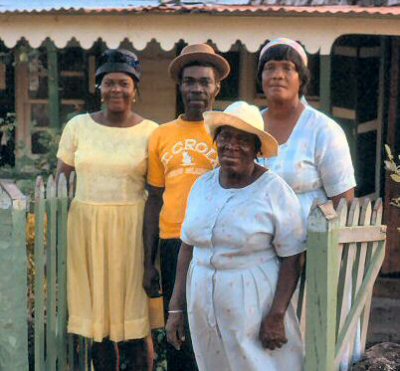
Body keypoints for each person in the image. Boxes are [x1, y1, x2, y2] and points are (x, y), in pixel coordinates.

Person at [166, 101, 306, 371]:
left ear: (257, 148)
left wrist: (276, 315)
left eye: (243, 139)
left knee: (258, 365)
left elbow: (293, 258)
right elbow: (187, 247)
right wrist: (176, 308)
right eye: (226, 136)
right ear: (216, 141)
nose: (232, 145)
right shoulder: (202, 185)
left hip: (253, 301)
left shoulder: (274, 190)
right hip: (203, 299)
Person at [56, 49, 159, 371]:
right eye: (109, 83)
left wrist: (151, 253)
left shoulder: (152, 132)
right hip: (86, 229)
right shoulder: (78, 126)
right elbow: (62, 179)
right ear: (98, 88)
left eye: (124, 83)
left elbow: (157, 192)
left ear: (135, 90)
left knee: (135, 325)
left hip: (132, 231)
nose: (116, 89)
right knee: (99, 328)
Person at [142, 44, 230, 371]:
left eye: (204, 82)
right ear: (179, 86)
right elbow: (153, 200)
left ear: (216, 87)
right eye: (189, 81)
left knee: (215, 328)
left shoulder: (227, 133)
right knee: (177, 329)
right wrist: (148, 262)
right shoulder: (161, 135)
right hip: (172, 242)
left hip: (214, 243)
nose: (196, 88)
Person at [257, 37, 356, 219]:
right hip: (250, 243)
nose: (277, 75)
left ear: (301, 78)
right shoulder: (249, 126)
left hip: (309, 244)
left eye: (287, 68)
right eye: (270, 67)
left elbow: (344, 202)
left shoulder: (323, 130)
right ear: (261, 77)